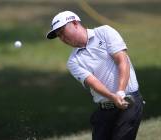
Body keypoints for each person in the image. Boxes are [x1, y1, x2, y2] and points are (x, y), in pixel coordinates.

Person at [46, 11, 144, 140]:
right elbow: (93, 82)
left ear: (75, 23)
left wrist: (120, 92)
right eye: (59, 36)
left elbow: (122, 60)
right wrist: (112, 97)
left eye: (63, 32)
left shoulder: (104, 32)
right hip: (105, 109)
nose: (62, 38)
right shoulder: (73, 61)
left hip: (128, 102)